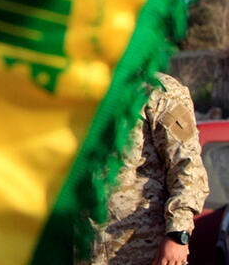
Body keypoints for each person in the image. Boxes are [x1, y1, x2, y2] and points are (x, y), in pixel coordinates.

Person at [86, 72, 208, 265]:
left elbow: (187, 166)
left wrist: (178, 234)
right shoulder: (81, 87)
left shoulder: (158, 91)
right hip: (86, 249)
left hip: (143, 250)